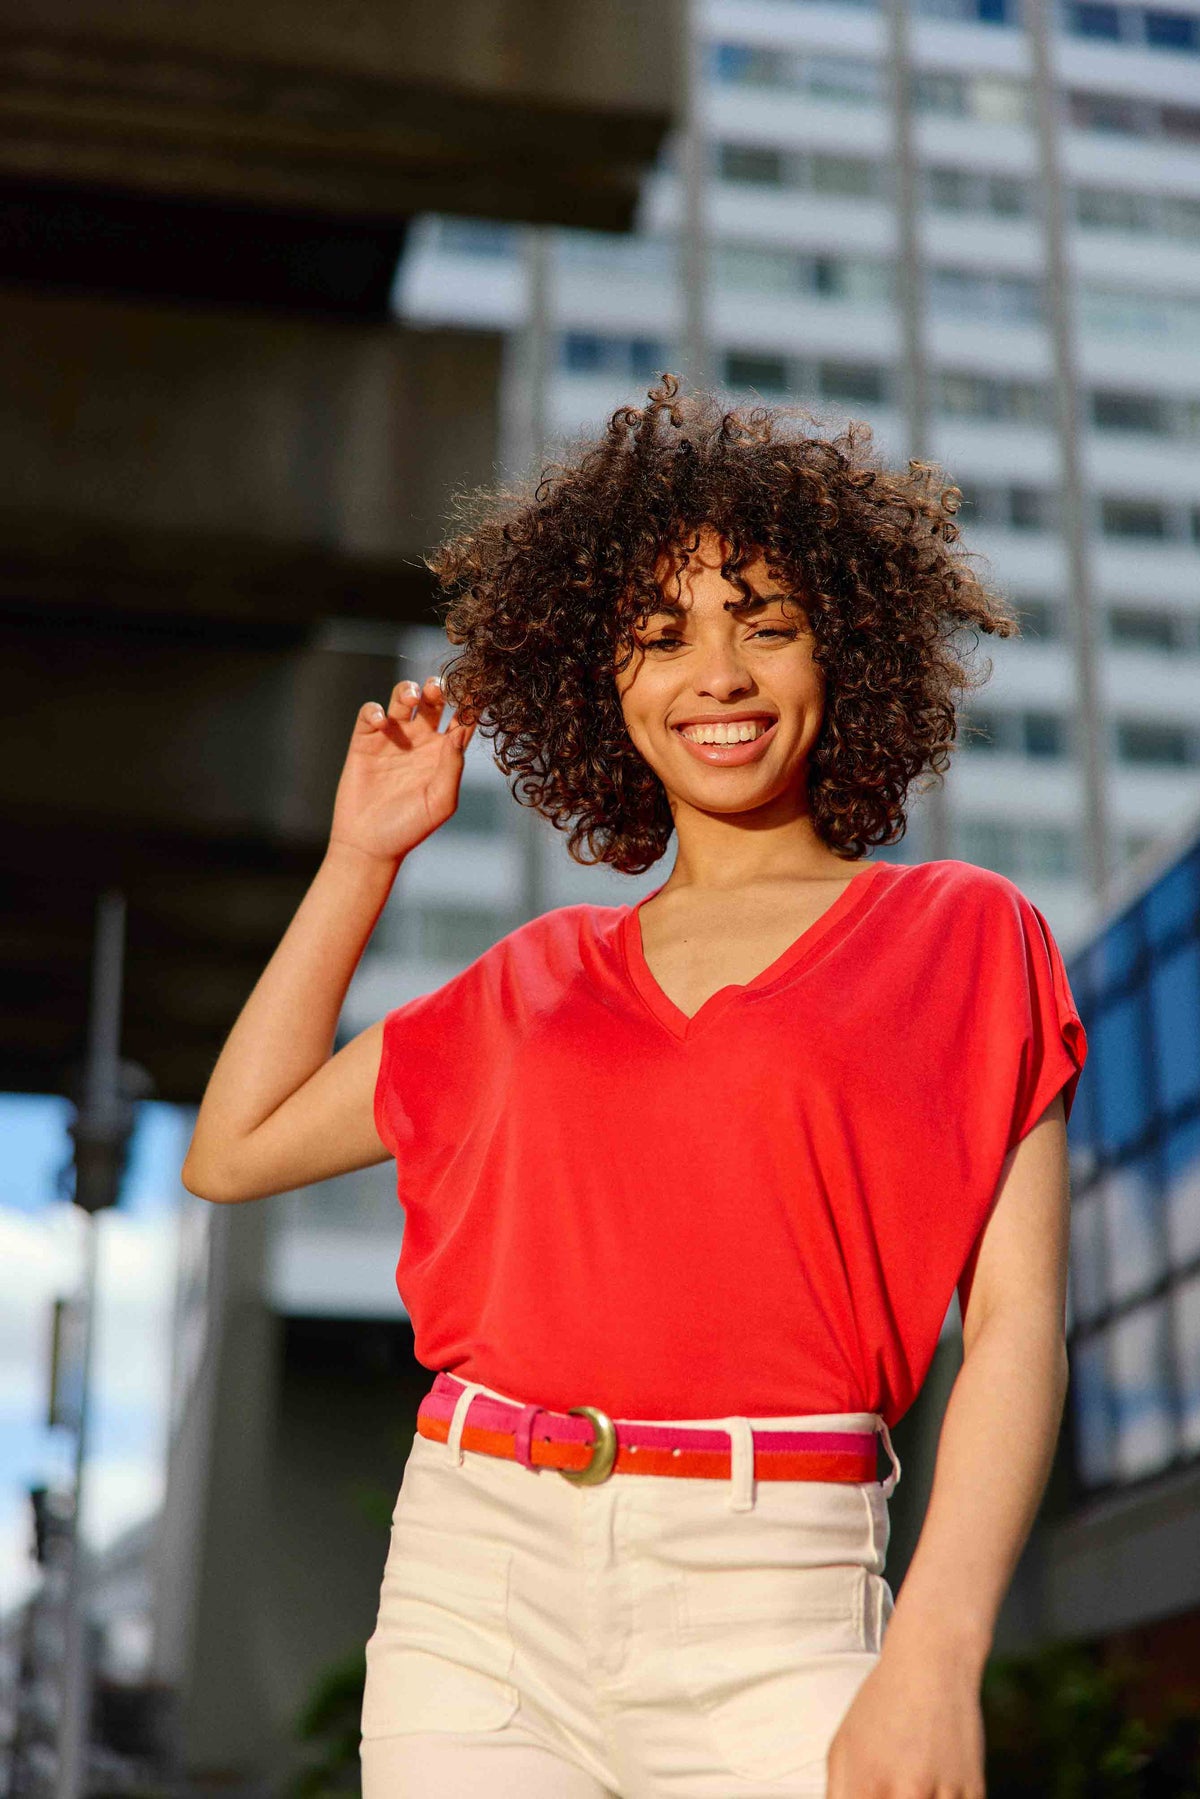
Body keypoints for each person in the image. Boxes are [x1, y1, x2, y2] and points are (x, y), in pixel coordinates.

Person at [182, 377, 1087, 1799]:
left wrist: (934, 1647)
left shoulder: (968, 936)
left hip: (778, 1594)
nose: (715, 678)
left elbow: (1021, 1323)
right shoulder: (532, 976)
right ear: (602, 687)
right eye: (659, 640)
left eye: (765, 628)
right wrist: (363, 859)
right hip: (473, 1581)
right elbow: (230, 1149)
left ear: (842, 653)